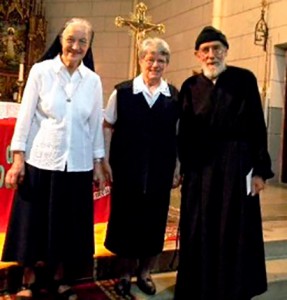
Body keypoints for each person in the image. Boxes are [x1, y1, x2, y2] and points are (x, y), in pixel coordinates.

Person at [2, 18, 105, 300]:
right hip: (41, 159)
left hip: (78, 163)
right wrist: (18, 160)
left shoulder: (93, 81)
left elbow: (95, 124)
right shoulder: (41, 71)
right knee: (33, 223)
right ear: (61, 40)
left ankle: (60, 278)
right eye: (71, 39)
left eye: (83, 41)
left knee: (68, 225)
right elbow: (25, 117)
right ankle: (28, 278)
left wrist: (98, 163)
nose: (76, 46)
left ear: (89, 46)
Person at [174, 26, 274, 300]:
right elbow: (183, 132)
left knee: (234, 225)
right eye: (205, 50)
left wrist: (260, 171)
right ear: (197, 55)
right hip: (200, 169)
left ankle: (234, 287)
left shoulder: (244, 79)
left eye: (216, 48)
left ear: (226, 51)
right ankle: (200, 286)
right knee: (200, 225)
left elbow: (257, 126)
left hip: (237, 166)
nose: (211, 54)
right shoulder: (190, 87)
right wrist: (184, 168)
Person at [103, 37, 181, 297]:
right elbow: (107, 126)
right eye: (150, 59)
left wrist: (177, 167)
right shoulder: (123, 92)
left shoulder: (174, 97)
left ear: (167, 63)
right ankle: (124, 274)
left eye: (161, 60)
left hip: (160, 171)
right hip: (127, 170)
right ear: (141, 60)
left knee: (154, 224)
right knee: (126, 223)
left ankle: (145, 273)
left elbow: (179, 135)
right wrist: (104, 161)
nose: (155, 64)